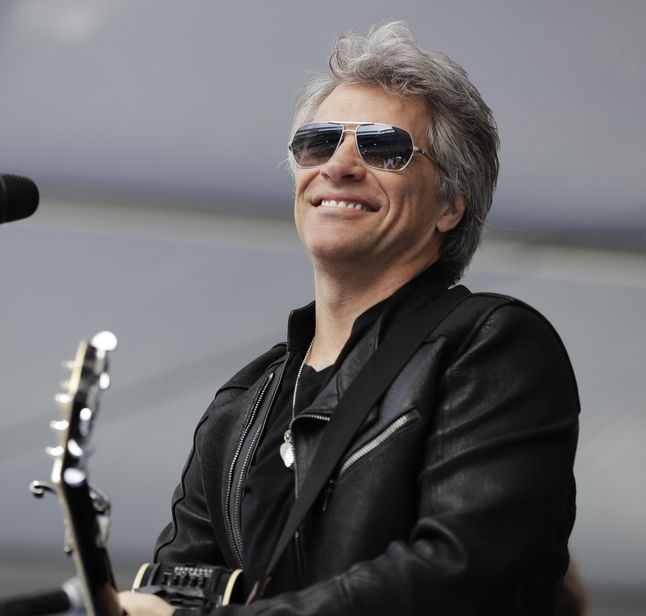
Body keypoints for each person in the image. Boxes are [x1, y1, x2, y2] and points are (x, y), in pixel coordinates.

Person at [120, 21, 579, 616]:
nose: (339, 166)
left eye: (384, 147)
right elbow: (180, 590)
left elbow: (459, 576)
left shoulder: (489, 345)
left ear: (448, 204)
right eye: (318, 142)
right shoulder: (242, 406)